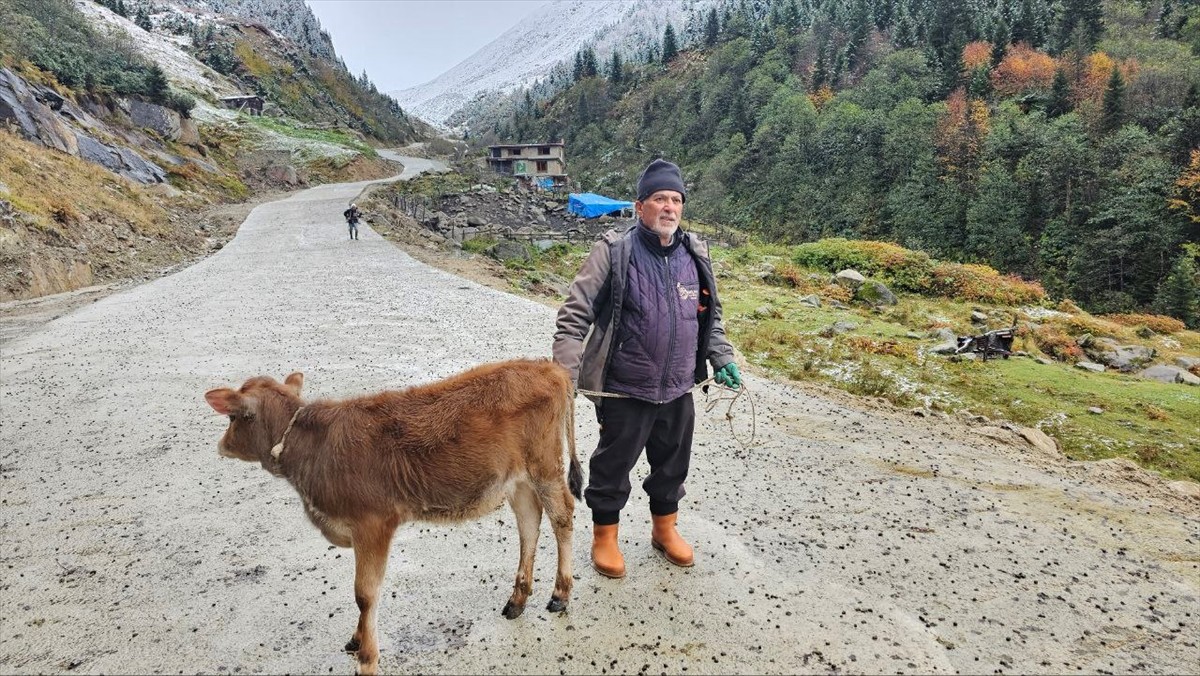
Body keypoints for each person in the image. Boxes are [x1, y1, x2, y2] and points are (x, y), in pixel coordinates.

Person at [552, 158, 741, 579]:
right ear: (640, 206)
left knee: (672, 464)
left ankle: (664, 529)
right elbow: (574, 316)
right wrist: (563, 376)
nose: (669, 207)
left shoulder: (694, 253)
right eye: (659, 199)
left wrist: (722, 357)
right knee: (613, 465)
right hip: (625, 386)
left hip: (678, 386)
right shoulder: (614, 251)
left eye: (676, 200)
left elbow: (710, 316)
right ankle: (605, 537)